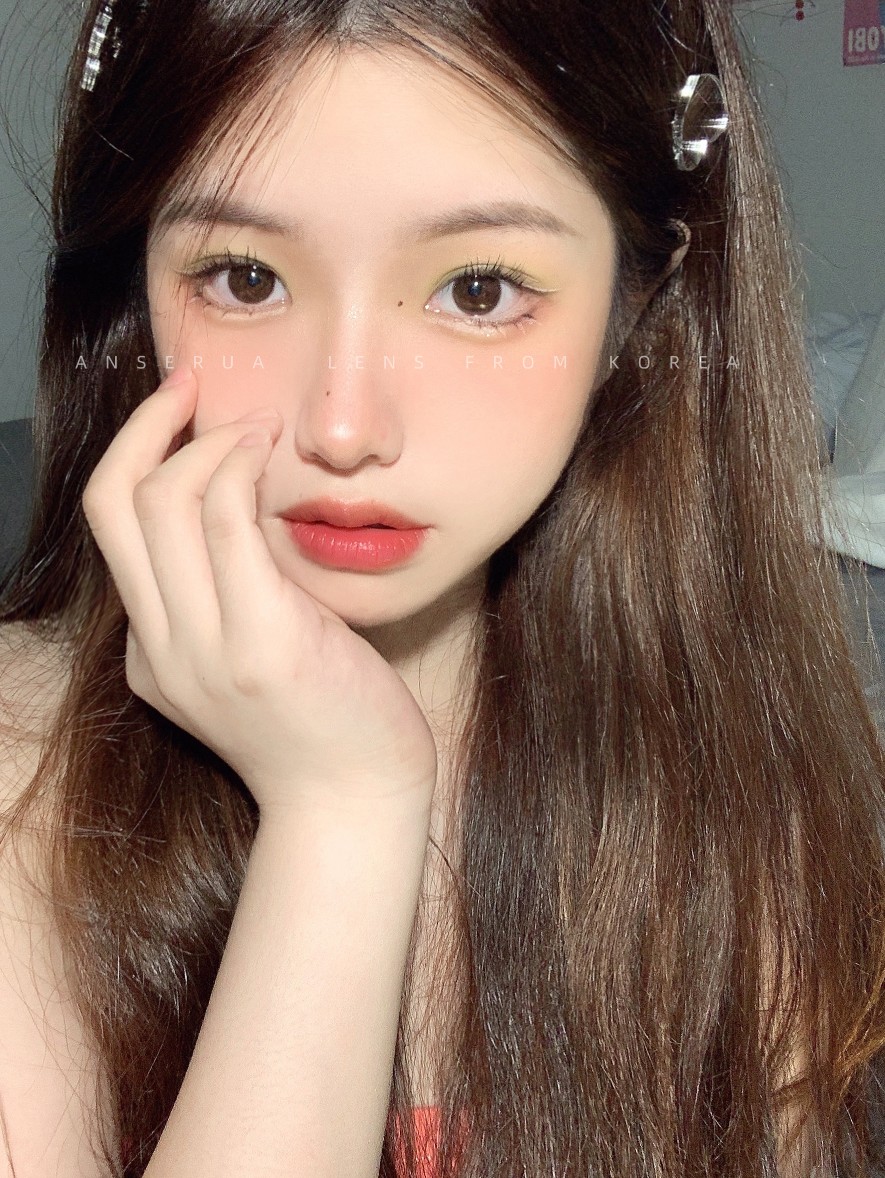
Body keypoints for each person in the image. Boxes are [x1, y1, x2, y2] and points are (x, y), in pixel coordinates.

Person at [1, 0, 884, 1175]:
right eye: (246, 278)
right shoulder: (24, 780)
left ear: (636, 309)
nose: (345, 424)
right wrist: (339, 810)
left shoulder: (755, 804)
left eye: (478, 290)